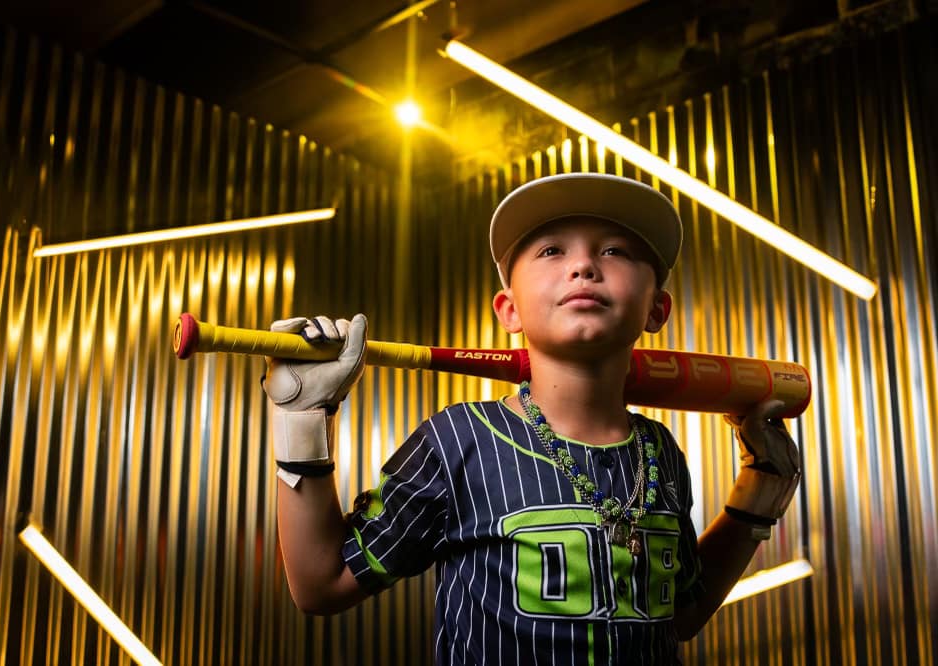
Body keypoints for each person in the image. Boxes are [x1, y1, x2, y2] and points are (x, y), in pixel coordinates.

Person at [263, 173, 801, 665]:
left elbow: (681, 614)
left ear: (657, 309)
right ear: (510, 310)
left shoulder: (658, 452)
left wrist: (755, 502)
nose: (584, 265)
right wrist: (302, 421)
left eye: (615, 250)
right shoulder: (458, 441)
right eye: (551, 250)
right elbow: (322, 584)